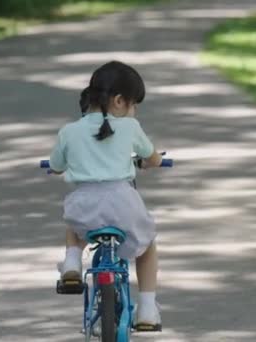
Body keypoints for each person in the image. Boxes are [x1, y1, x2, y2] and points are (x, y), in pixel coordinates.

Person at [49, 61, 163, 328]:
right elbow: (153, 158)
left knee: (74, 227)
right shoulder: (130, 127)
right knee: (147, 246)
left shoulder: (69, 131)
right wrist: (149, 162)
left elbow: (56, 166)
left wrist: (57, 167)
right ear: (120, 101)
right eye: (134, 104)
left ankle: (72, 264)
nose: (134, 111)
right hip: (123, 203)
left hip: (84, 205)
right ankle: (147, 309)